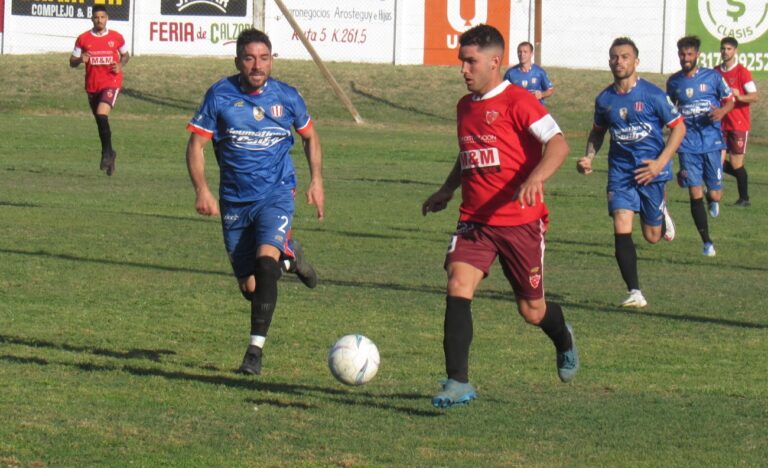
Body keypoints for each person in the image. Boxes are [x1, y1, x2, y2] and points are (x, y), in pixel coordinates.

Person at [422, 24, 578, 409]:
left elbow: (558, 145)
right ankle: (457, 381)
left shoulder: (519, 101)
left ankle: (564, 338)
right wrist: (447, 189)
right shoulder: (464, 106)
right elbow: (469, 153)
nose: (463, 69)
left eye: (470, 62)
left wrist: (536, 177)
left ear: (495, 62)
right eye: (462, 62)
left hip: (521, 222)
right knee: (458, 284)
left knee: (532, 310)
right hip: (475, 220)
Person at [185, 28, 324, 375]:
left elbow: (309, 137)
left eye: (264, 58)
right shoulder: (219, 95)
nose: (257, 65)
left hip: (276, 195)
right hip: (234, 202)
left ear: (272, 60)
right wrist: (201, 189)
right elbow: (195, 147)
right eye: (249, 58)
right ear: (238, 61)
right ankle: (290, 258)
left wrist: (317, 180)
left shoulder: (288, 97)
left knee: (264, 267)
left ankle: (254, 354)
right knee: (252, 289)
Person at [577, 37, 685, 308]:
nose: (619, 61)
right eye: (614, 56)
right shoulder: (604, 99)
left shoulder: (652, 95)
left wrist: (660, 163)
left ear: (636, 61)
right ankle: (635, 291)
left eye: (625, 56)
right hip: (621, 171)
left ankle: (661, 212)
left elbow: (679, 128)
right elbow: (598, 132)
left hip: (651, 171)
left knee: (651, 236)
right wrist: (589, 157)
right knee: (621, 225)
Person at [667, 36, 734, 257]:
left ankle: (712, 198)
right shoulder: (674, 82)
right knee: (694, 191)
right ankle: (707, 242)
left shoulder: (712, 77)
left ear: (697, 55)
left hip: (712, 141)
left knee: (715, 194)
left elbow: (730, 100)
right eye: (682, 55)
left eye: (689, 55)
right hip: (687, 144)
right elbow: (669, 110)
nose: (685, 59)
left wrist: (721, 112)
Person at [69, 5, 129, 176]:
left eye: (102, 17)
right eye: (96, 17)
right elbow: (71, 61)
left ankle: (106, 154)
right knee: (100, 121)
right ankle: (109, 153)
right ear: (92, 19)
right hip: (92, 86)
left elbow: (125, 55)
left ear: (107, 18)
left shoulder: (116, 37)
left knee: (102, 114)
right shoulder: (83, 39)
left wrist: (120, 64)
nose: (99, 20)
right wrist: (80, 59)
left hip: (111, 82)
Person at [717, 37, 757, 207]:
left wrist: (738, 95)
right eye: (723, 48)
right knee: (715, 160)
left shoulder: (742, 72)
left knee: (735, 163)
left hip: (738, 124)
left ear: (735, 51)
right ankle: (713, 191)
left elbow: (754, 96)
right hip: (720, 124)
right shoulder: (716, 72)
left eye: (729, 49)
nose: (726, 52)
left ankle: (744, 197)